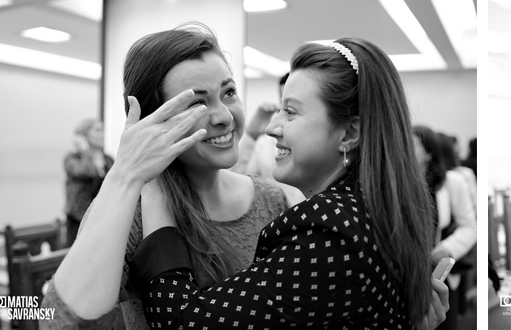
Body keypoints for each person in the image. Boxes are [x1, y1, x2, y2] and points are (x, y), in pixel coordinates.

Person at [128, 37, 446, 329]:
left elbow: (184, 322)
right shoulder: (373, 208)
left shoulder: (332, 232)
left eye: (290, 112)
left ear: (349, 134)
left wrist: (153, 181)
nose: (272, 127)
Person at [42, 23, 298, 330]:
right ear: (155, 120)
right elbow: (58, 320)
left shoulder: (272, 199)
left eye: (228, 92)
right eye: (197, 103)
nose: (224, 116)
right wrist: (124, 174)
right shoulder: (133, 214)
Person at [413, 125, 478, 330]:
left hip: (440, 271)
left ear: (428, 152)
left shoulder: (452, 182)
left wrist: (446, 249)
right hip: (407, 275)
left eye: (411, 144)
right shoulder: (397, 183)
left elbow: (470, 226)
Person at [63, 118, 114, 247]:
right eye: (97, 130)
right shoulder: (72, 159)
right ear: (84, 135)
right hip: (78, 220)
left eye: (103, 130)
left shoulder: (108, 160)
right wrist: (85, 150)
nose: (102, 134)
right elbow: (83, 172)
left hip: (102, 219)